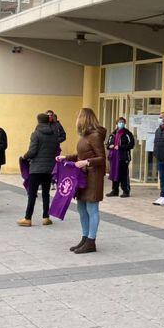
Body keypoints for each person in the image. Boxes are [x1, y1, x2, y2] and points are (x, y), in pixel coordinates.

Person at [61, 108, 107, 254]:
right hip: (83, 176)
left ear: (84, 118)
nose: (76, 119)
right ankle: (85, 238)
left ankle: (91, 241)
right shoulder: (86, 135)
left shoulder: (95, 135)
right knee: (81, 208)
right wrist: (66, 158)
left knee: (92, 209)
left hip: (93, 177)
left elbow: (101, 158)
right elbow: (82, 154)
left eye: (78, 116)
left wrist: (86, 162)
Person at [18, 113, 58, 227]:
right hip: (49, 168)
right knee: (46, 193)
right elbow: (55, 149)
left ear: (38, 121)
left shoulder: (36, 134)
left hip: (36, 168)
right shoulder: (54, 134)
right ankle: (46, 217)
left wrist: (24, 157)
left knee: (32, 193)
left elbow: (32, 151)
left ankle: (28, 218)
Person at [106, 117, 135, 198]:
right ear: (116, 123)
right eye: (119, 122)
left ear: (125, 123)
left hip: (123, 157)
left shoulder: (127, 134)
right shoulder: (113, 134)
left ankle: (126, 191)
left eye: (122, 122)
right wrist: (110, 146)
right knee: (114, 173)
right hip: (113, 157)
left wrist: (120, 147)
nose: (121, 123)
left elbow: (131, 144)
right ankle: (115, 190)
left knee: (123, 174)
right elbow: (107, 144)